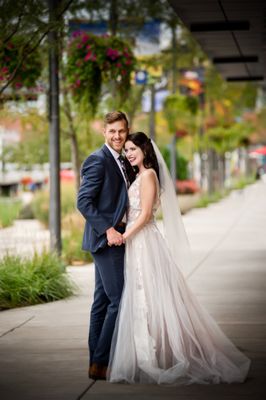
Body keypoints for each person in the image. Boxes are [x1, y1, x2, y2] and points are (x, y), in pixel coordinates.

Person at [107, 132, 251, 385]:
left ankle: (151, 357)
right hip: (135, 242)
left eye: (133, 149)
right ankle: (146, 354)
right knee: (141, 297)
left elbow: (145, 215)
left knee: (150, 297)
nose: (129, 153)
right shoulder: (138, 176)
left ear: (145, 150)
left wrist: (125, 235)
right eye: (127, 150)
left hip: (144, 242)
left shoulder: (149, 175)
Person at [77, 111, 135, 381]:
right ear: (104, 131)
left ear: (127, 130)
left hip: (117, 237)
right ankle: (102, 360)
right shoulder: (97, 160)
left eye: (121, 131)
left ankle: (96, 364)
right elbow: (84, 202)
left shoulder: (123, 160)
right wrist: (109, 229)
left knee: (101, 301)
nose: (117, 136)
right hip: (106, 240)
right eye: (112, 131)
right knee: (118, 299)